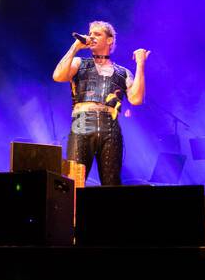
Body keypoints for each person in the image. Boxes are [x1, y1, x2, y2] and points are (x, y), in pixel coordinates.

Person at [52, 21, 146, 185]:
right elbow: (58, 76)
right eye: (90, 33)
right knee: (74, 181)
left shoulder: (123, 72)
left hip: (110, 126)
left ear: (109, 40)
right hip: (82, 123)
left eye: (97, 34)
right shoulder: (79, 63)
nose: (91, 36)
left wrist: (140, 64)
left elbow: (136, 99)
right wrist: (75, 47)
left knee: (111, 182)